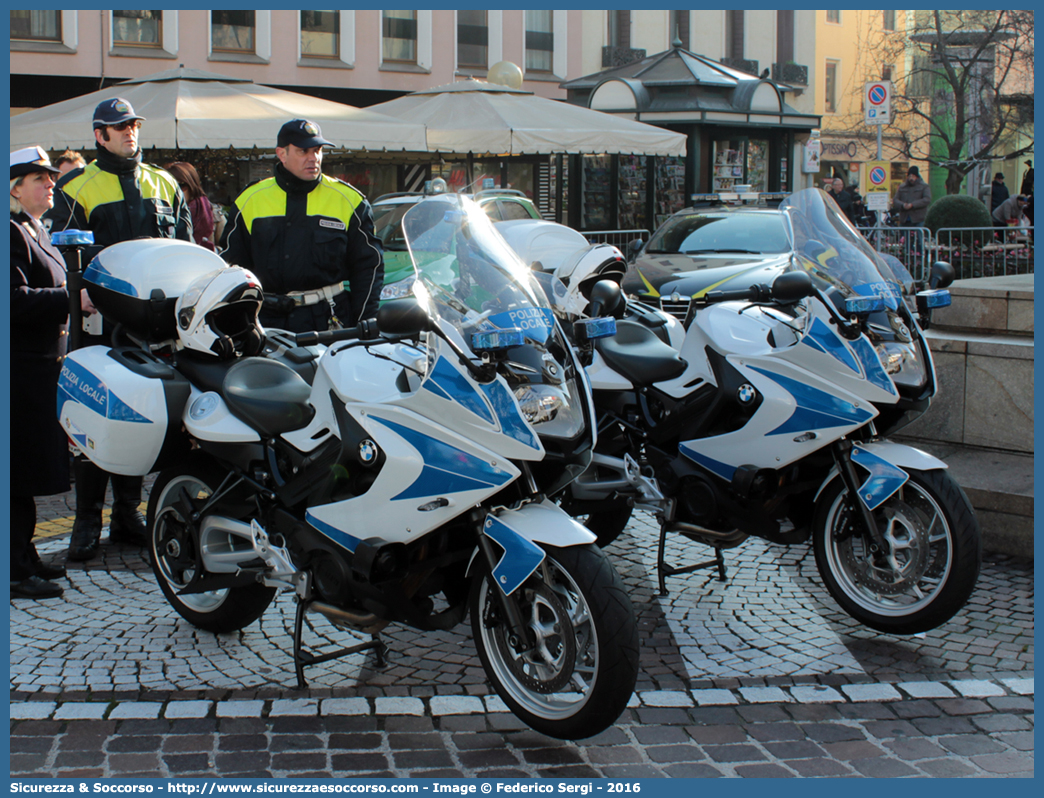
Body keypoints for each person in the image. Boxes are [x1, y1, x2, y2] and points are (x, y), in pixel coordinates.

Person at [45, 97, 192, 563]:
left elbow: (186, 251)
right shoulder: (77, 186)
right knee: (96, 415)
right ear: (99, 135)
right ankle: (87, 519)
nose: (130, 131)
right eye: (118, 126)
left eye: (133, 124)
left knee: (143, 415)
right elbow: (68, 263)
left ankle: (128, 514)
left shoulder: (164, 183)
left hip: (155, 326)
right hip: (101, 324)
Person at [10, 147, 91, 597]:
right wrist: (70, 300)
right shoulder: (10, 231)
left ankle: (25, 555)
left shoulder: (35, 228)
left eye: (49, 177)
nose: (49, 183)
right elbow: (14, 300)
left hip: (40, 367)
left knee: (27, 471)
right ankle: (15, 569)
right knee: (16, 474)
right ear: (14, 187)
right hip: (19, 369)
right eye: (38, 178)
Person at [220, 118, 383, 333]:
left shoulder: (349, 200)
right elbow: (232, 269)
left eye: (317, 151)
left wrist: (364, 323)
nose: (313, 158)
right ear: (282, 154)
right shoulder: (250, 200)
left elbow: (368, 267)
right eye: (303, 152)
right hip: (267, 322)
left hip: (329, 321)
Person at [166, 161, 216, 251]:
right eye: (169, 187)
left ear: (192, 186)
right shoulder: (160, 214)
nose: (177, 192)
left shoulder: (215, 216)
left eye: (181, 186)